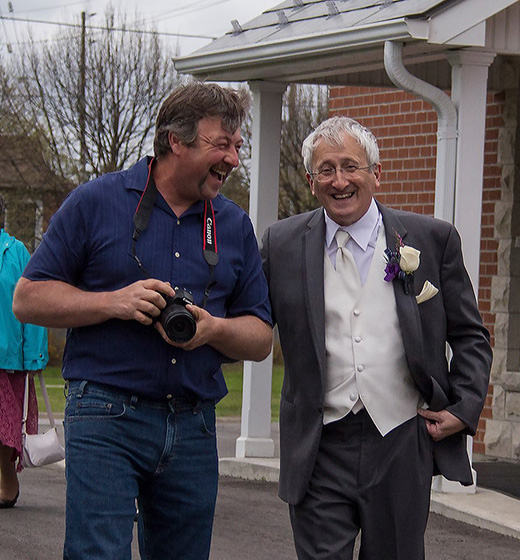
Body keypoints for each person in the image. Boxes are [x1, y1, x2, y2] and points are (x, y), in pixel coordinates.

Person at [13, 82, 273, 559]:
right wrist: (115, 302)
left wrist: (213, 329)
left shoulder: (234, 225)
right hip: (105, 415)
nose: (234, 159)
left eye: (238, 146)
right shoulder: (97, 201)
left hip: (194, 425)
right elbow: (27, 298)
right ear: (176, 141)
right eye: (222, 144)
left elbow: (260, 338)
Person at [260, 116, 492, 560]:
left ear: (376, 173)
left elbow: (470, 334)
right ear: (311, 181)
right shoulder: (281, 243)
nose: (339, 181)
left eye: (351, 166)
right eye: (326, 170)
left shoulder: (431, 239)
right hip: (318, 443)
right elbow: (252, 321)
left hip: (402, 438)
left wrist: (463, 408)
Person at [0, 195, 48, 508]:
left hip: (8, 359)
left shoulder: (16, 252)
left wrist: (34, 356)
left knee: (4, 427)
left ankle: (7, 482)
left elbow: (34, 304)